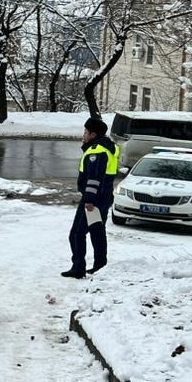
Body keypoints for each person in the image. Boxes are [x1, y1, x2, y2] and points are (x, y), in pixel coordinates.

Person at [62, 116, 119, 279]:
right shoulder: (107, 147)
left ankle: (78, 267)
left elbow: (94, 178)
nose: (84, 135)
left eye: (86, 132)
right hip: (104, 197)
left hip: (93, 200)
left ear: (93, 134)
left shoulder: (96, 151)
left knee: (76, 234)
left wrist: (89, 200)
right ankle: (101, 265)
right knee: (97, 231)